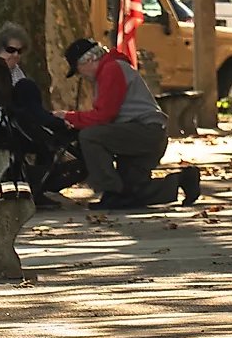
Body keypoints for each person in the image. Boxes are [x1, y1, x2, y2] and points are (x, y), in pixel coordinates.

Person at [62, 37, 202, 210]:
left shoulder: (111, 70)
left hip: (144, 131)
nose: (80, 75)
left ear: (89, 60)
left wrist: (69, 117)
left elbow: (103, 116)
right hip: (149, 133)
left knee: (90, 137)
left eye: (78, 69)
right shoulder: (113, 68)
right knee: (133, 193)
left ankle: (111, 191)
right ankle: (183, 180)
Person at [0, 24, 79, 207]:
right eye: (11, 50)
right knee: (35, 140)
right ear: (0, 47)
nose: (15, 55)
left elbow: (24, 98)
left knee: (36, 126)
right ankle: (34, 189)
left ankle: (36, 186)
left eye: (19, 51)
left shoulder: (13, 70)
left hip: (9, 124)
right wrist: (6, 117)